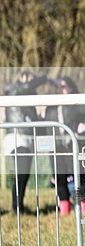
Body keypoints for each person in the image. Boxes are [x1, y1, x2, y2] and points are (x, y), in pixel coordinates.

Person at [44, 77, 85, 216]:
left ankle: (84, 208)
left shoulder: (76, 103)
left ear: (70, 88)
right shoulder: (51, 106)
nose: (60, 89)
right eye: (58, 87)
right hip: (56, 147)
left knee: (78, 177)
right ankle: (64, 210)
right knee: (60, 179)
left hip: (74, 147)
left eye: (63, 86)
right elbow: (46, 126)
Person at [3, 71, 48, 213]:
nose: (32, 83)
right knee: (21, 174)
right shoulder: (13, 89)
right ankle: (17, 208)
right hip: (17, 138)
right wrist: (45, 78)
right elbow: (27, 86)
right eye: (29, 79)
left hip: (27, 138)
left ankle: (19, 206)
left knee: (24, 174)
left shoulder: (28, 97)